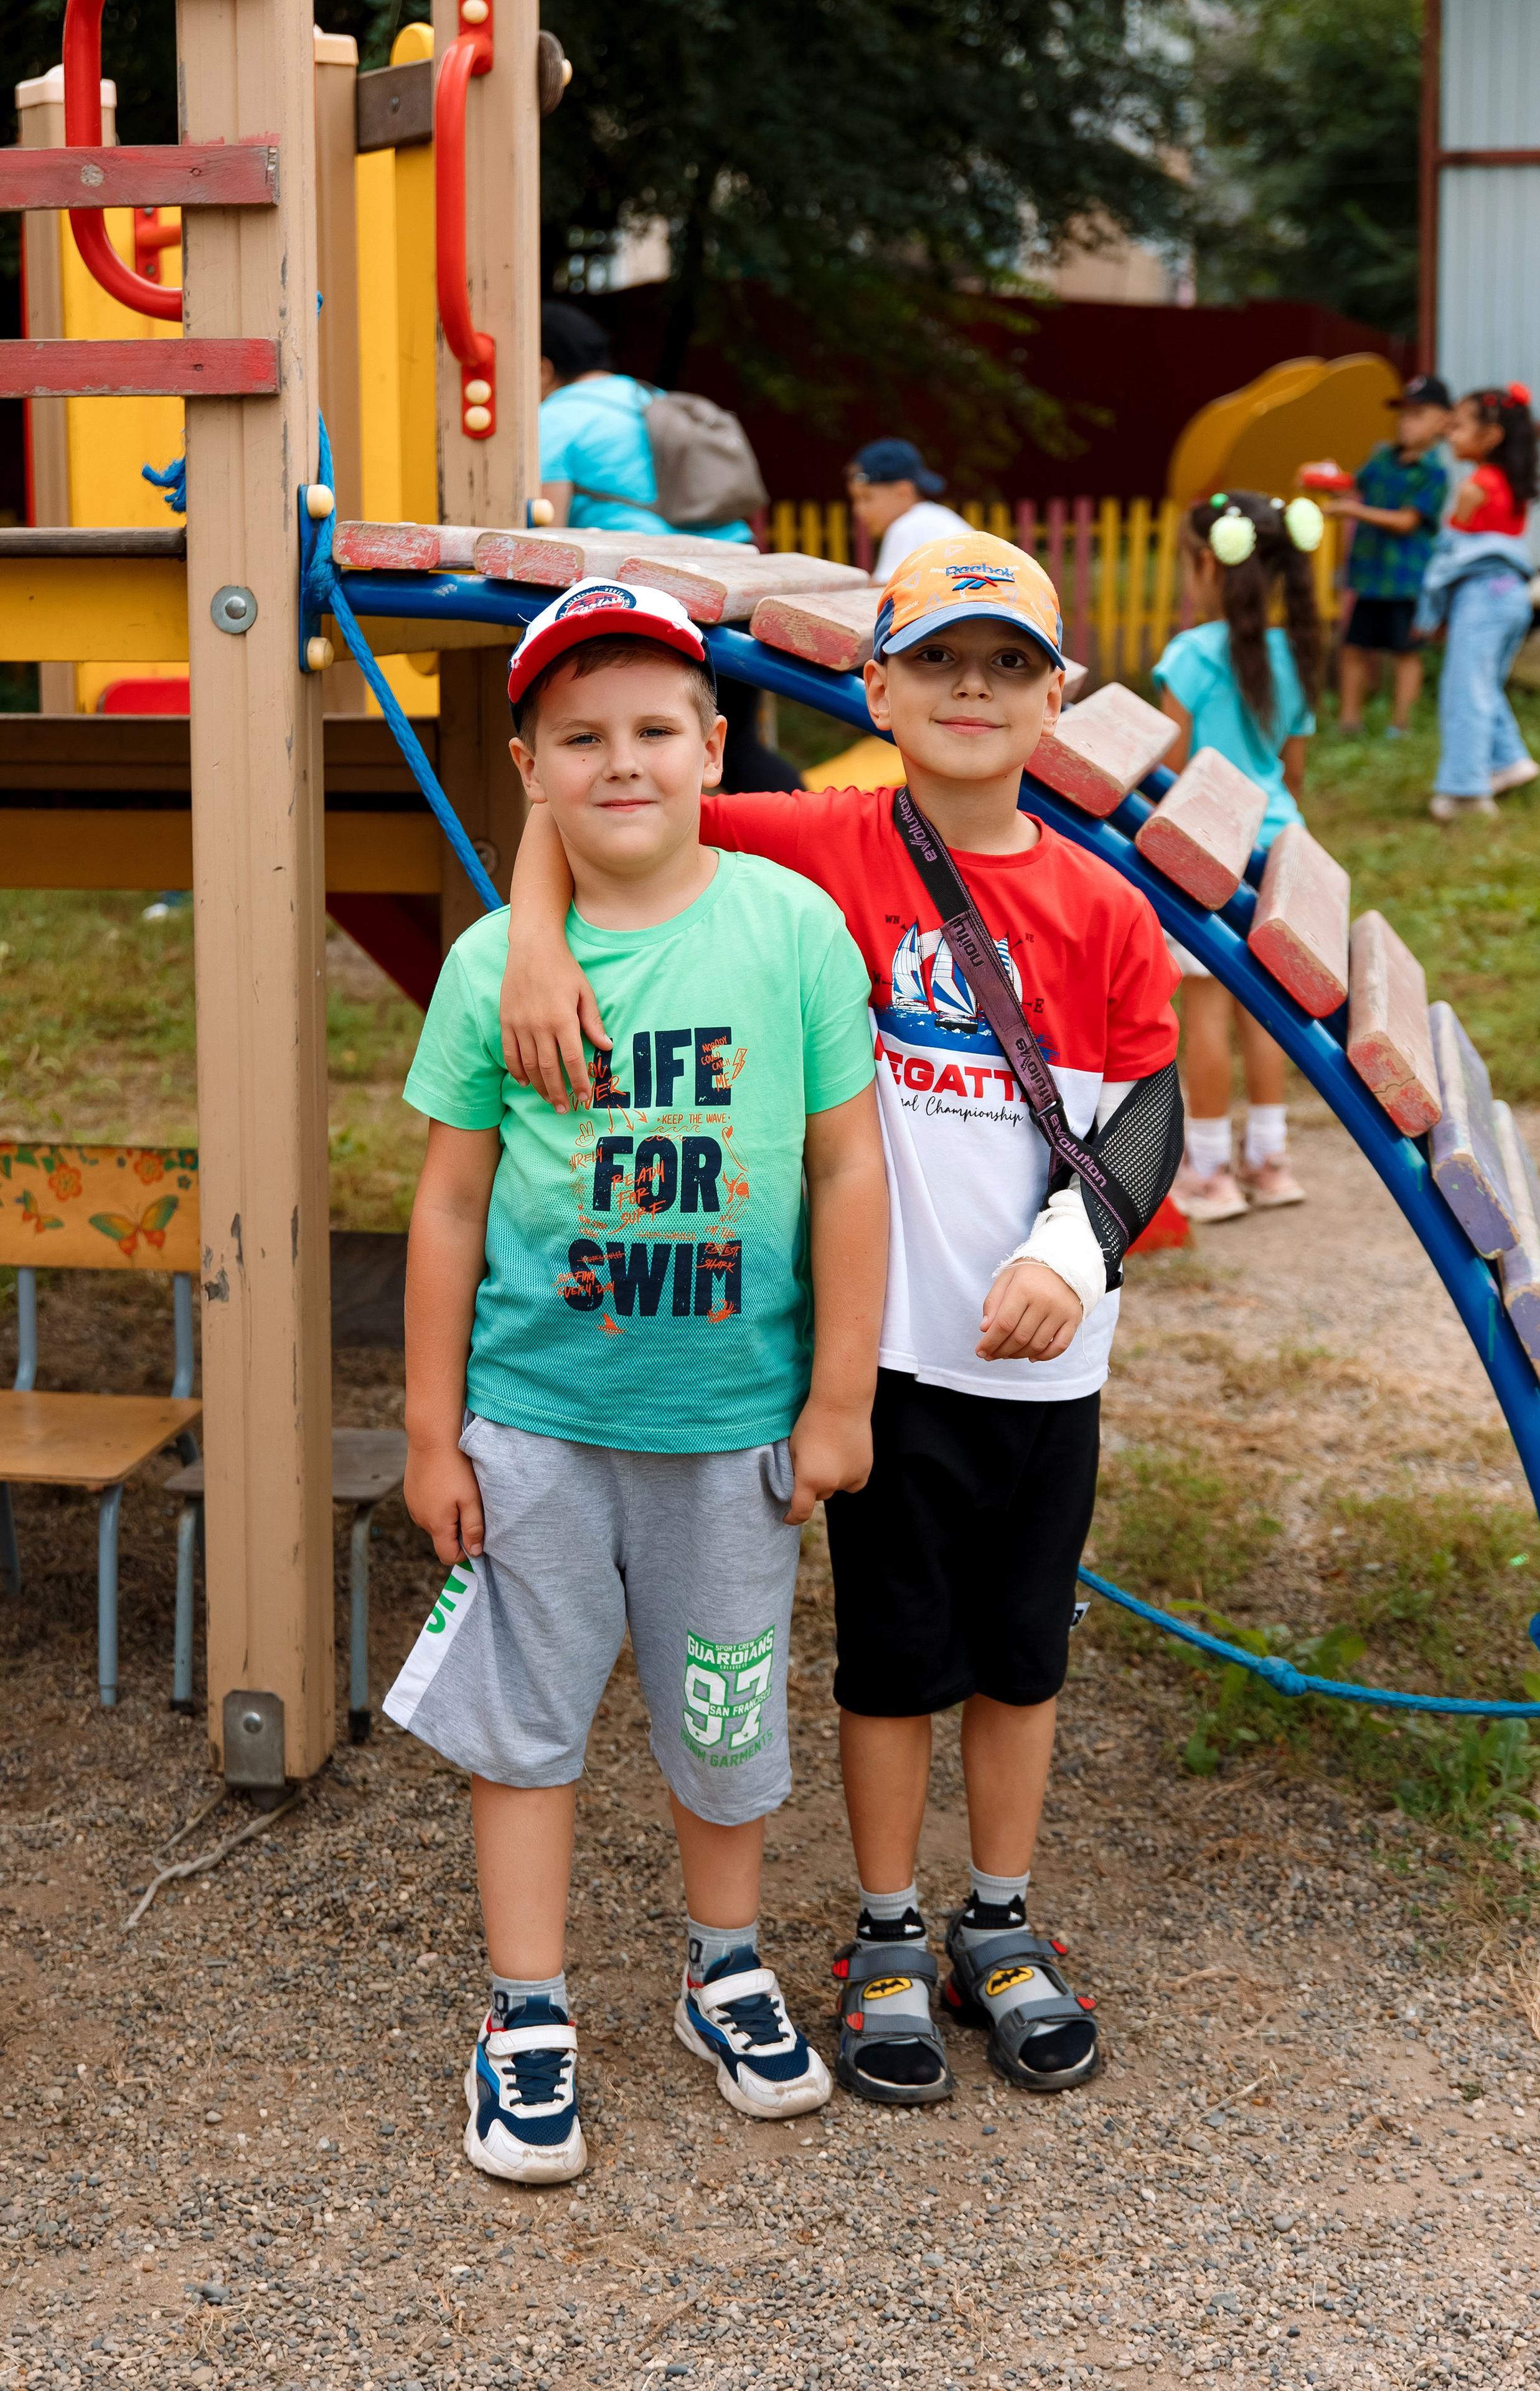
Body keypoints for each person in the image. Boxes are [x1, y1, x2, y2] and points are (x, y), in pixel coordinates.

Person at [498, 534, 1185, 2107]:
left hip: (1042, 1367)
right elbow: (605, 806)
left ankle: (995, 1920)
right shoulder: (819, 839)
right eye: (935, 661)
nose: (969, 690)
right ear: (872, 688)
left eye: (1006, 665)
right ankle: (883, 1928)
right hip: (880, 1363)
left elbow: (1148, 1103)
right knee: (887, 1662)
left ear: (1057, 699)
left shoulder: (1104, 904)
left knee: (1019, 1658)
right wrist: (534, 937)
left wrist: (1073, 1251)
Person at [387, 578, 888, 2181]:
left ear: (712, 748)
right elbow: (448, 1205)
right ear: (526, 768)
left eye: (655, 729)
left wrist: (839, 1397)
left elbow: (846, 1168)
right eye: (580, 737)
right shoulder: (492, 965)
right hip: (535, 1426)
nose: (621, 762)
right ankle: (523, 2011)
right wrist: (429, 1431)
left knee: (726, 1723)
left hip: (730, 1431)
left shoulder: (788, 929)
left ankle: (719, 1966)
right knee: (523, 1729)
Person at [538, 298, 801, 792]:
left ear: (542, 368)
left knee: (638, 745)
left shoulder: (555, 416)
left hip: (657, 593)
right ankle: (808, 829)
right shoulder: (649, 396)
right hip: (734, 578)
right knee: (736, 745)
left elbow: (545, 527)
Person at [1153, 491, 1323, 1222]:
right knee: (1267, 1014)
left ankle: (1210, 1173)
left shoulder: (1189, 657)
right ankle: (1271, 1161)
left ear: (1205, 563)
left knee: (1207, 1014)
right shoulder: (1294, 654)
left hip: (1210, 851)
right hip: (1282, 848)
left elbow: (1169, 773)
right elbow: (1293, 770)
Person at [1419, 384, 1540, 824]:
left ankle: (1467, 792)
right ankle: (1509, 760)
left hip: (1481, 599)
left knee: (1464, 691)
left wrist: (1432, 611)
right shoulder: (1512, 482)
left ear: (1491, 436)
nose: (1449, 435)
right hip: (1512, 597)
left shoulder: (1476, 487)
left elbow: (1452, 554)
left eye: (1458, 426)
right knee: (1482, 685)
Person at [1328, 373, 1452, 738]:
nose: (1406, 423)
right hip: (1370, 575)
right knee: (1353, 647)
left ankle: (1401, 725)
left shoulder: (1434, 473)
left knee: (1405, 651)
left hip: (1407, 579)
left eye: (1418, 415)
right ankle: (1349, 721)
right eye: (1404, 414)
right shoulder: (1381, 458)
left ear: (1443, 422)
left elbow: (1406, 522)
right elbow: (1352, 485)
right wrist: (1326, 478)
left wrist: (1354, 511)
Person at [846, 438, 969, 582]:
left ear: (904, 492)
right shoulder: (938, 516)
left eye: (866, 498)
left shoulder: (907, 527)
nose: (857, 509)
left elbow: (885, 590)